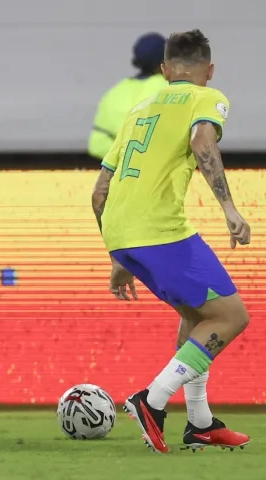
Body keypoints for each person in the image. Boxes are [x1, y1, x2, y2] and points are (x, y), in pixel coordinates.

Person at [91, 29, 251, 453]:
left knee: (200, 317)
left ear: (165, 71)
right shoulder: (207, 97)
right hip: (160, 230)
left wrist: (118, 255)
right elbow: (203, 143)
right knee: (232, 316)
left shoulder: (137, 109)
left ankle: (199, 422)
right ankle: (153, 400)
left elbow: (99, 191)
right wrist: (229, 209)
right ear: (209, 69)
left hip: (123, 232)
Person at [88, 32, 169, 161]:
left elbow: (97, 145)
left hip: (120, 175)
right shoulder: (173, 91)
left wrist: (125, 160)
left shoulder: (114, 93)